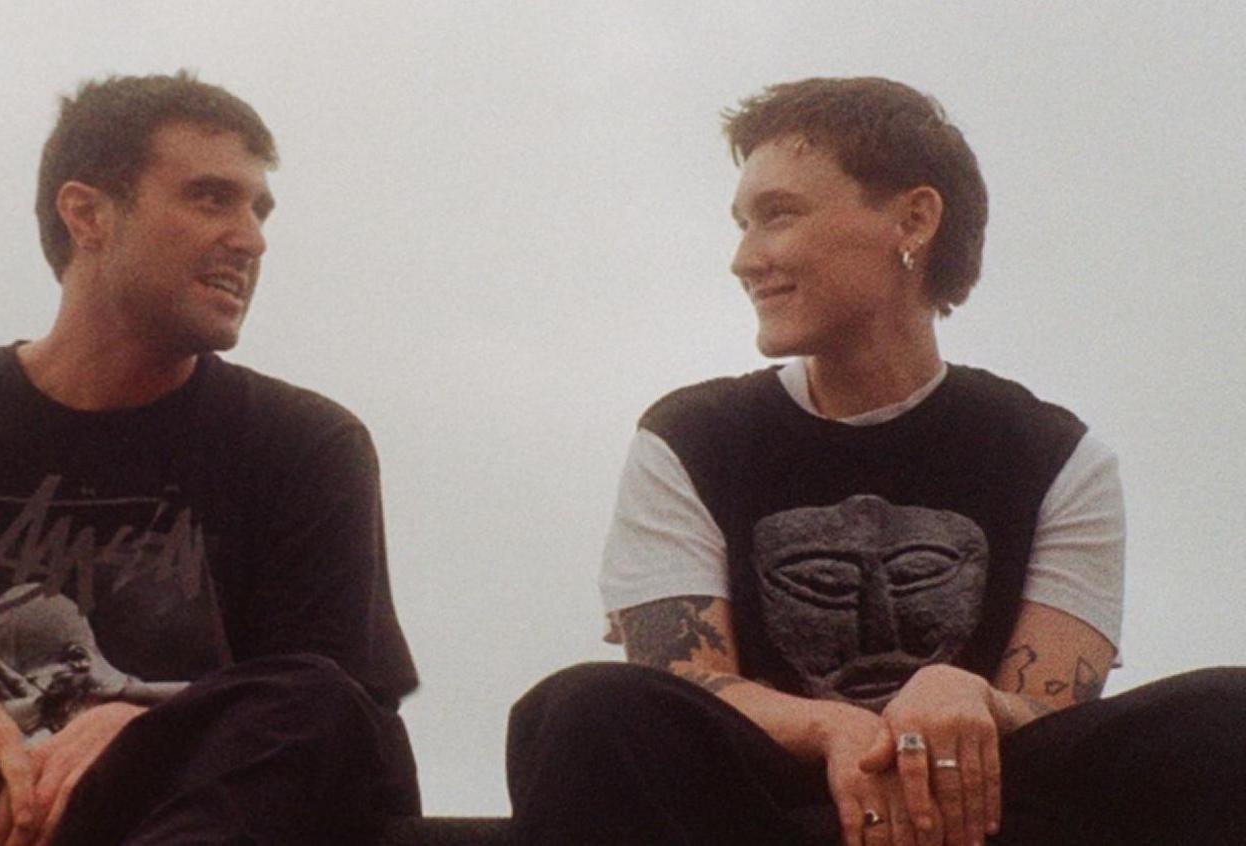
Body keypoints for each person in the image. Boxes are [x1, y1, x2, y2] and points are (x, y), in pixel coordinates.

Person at [506, 77, 1246, 845]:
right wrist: (829, 728)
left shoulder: (1056, 456)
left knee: (1227, 718)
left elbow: (1055, 717)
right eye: (741, 224)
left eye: (778, 215)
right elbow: (675, 683)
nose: (744, 258)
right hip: (759, 808)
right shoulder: (689, 439)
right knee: (586, 709)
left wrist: (972, 699)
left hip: (981, 812)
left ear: (914, 219)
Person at [0, 71, 419, 845]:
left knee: (334, 709)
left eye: (258, 208)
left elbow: (322, 716)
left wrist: (158, 727)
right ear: (87, 213)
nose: (251, 237)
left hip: (187, 819)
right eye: (210, 198)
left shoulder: (304, 446)